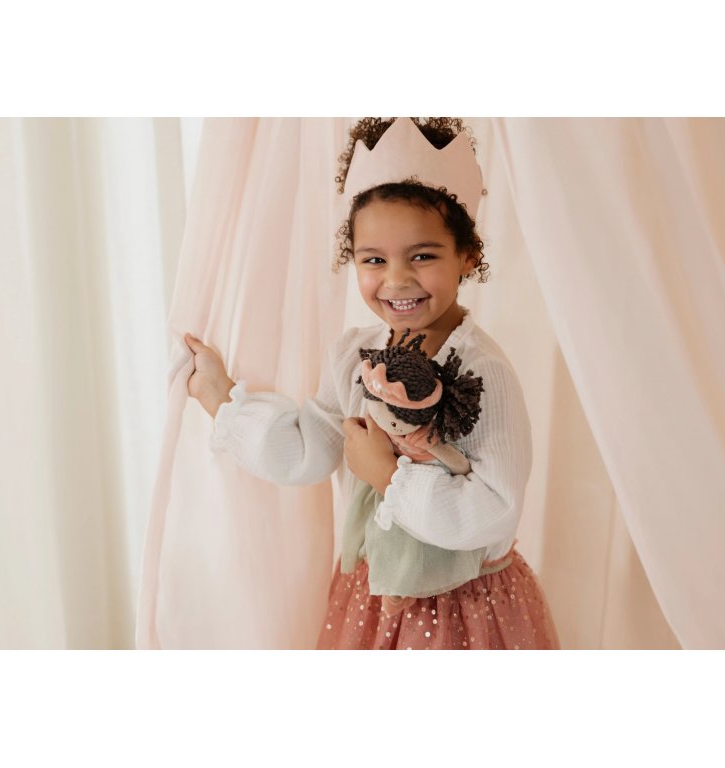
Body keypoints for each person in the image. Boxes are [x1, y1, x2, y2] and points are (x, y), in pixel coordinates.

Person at [183, 117, 559, 650]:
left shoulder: (483, 372)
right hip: (373, 598)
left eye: (422, 256)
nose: (397, 279)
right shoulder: (352, 357)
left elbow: (494, 509)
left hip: (465, 610)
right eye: (374, 260)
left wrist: (386, 474)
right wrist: (221, 399)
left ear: (467, 255)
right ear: (353, 259)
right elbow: (310, 448)